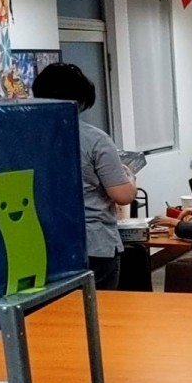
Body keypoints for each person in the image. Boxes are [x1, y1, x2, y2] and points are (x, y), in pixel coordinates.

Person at [31, 63, 135, 289]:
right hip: (93, 243)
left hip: (44, 243)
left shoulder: (27, 139)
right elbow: (123, 195)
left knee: (58, 307)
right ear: (81, 99)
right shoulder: (95, 140)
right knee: (100, 307)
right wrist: (129, 177)